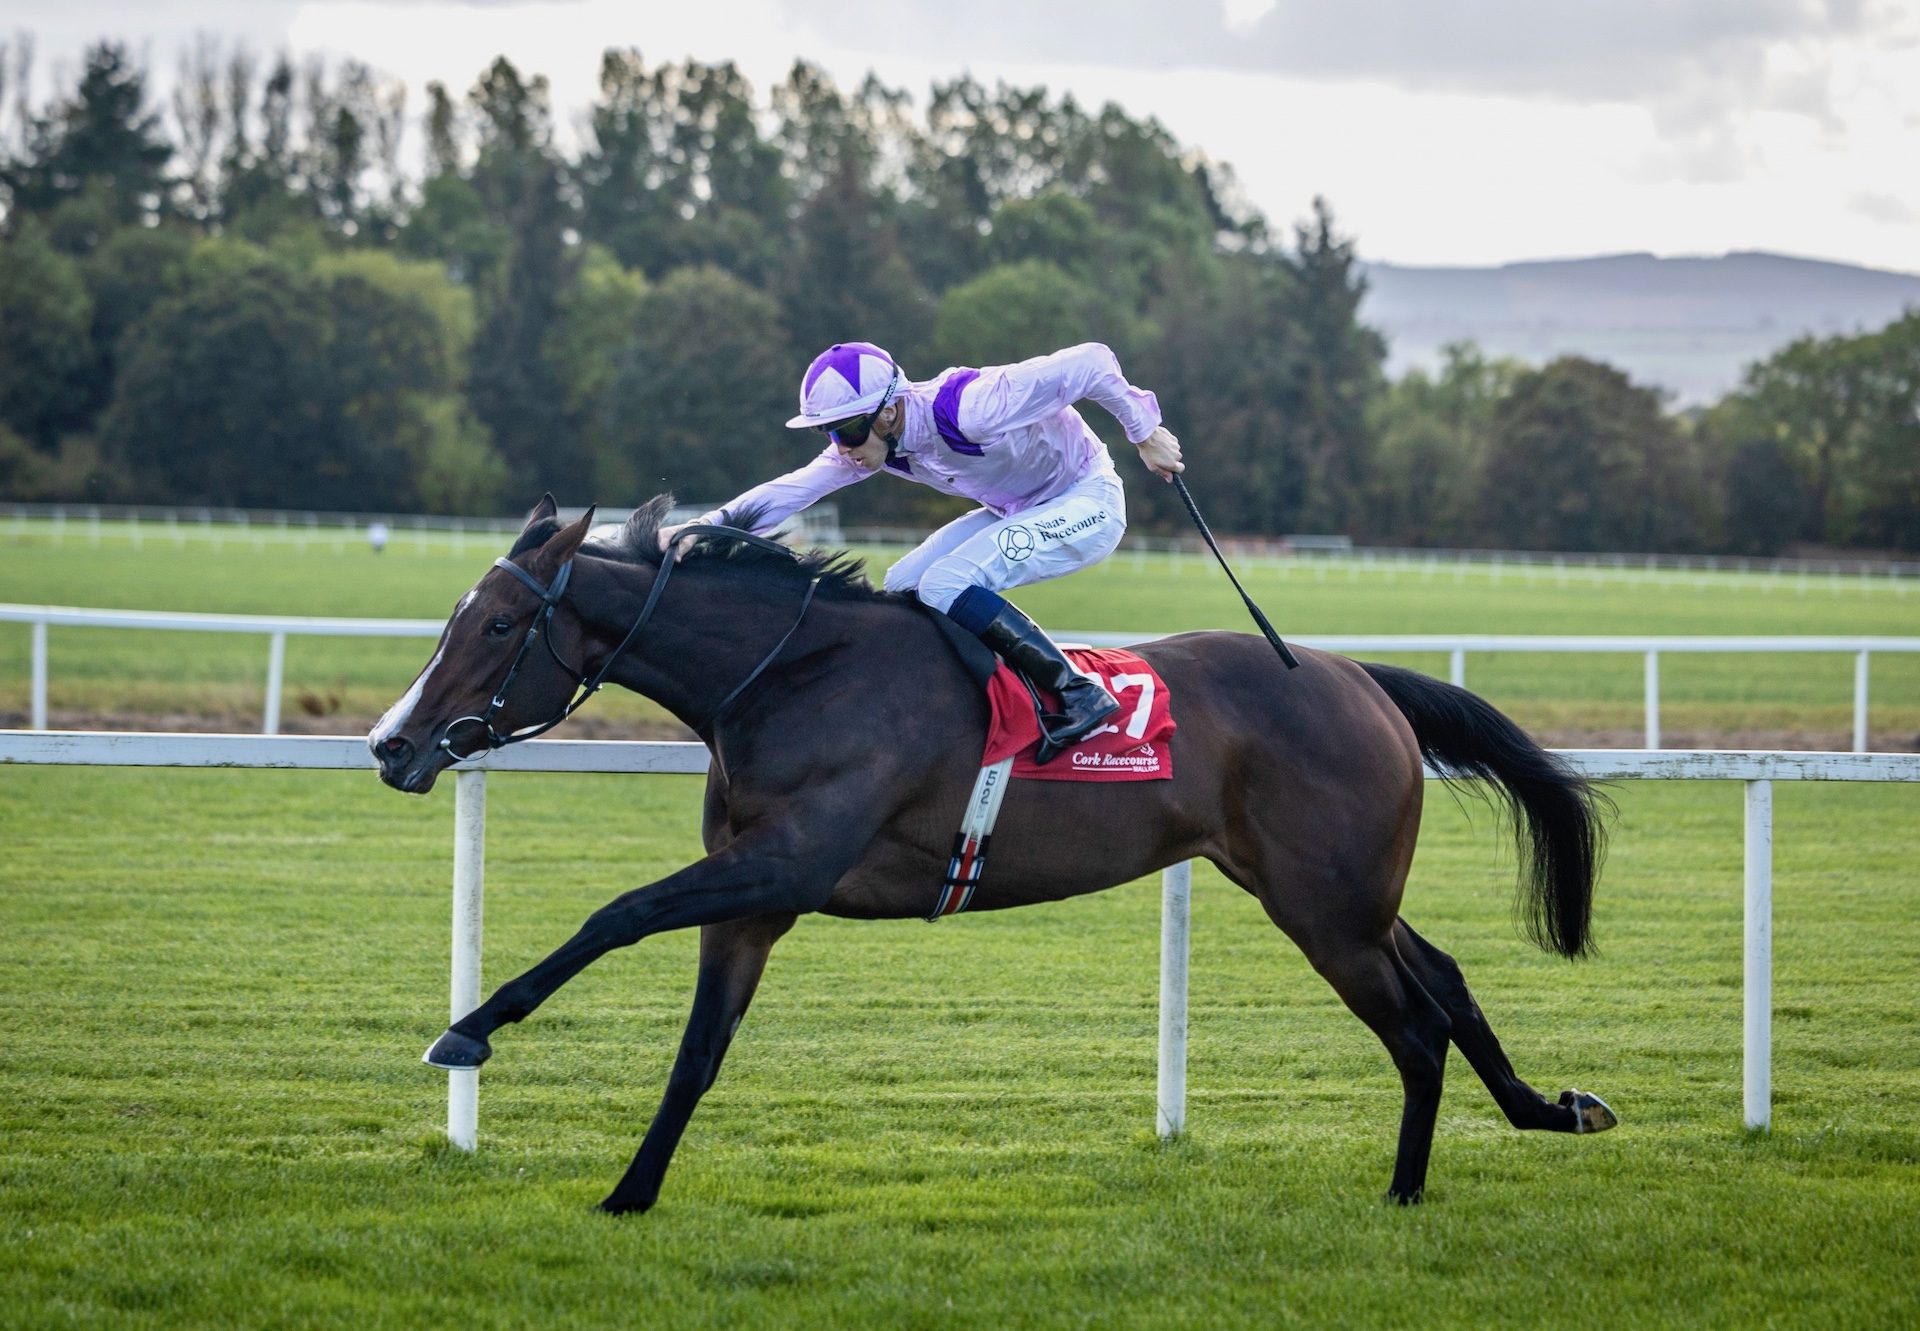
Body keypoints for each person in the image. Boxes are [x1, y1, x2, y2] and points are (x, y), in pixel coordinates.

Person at [661, 340, 1183, 759]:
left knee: (946, 583)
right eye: (827, 432)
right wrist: (699, 531)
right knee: (902, 586)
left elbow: (1091, 361)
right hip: (1020, 509)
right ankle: (955, 704)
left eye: (844, 430)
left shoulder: (971, 407)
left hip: (1087, 500)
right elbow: (791, 490)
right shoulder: (873, 442)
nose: (839, 447)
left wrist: (1144, 431)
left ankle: (1077, 694)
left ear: (888, 413)